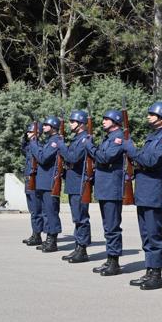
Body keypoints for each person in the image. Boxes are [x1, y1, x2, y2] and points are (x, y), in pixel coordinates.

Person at [123, 102, 162, 290]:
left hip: (154, 192)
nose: (148, 117)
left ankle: (156, 274)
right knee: (146, 234)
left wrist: (132, 151)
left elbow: (151, 161)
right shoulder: (152, 137)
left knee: (154, 234)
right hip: (144, 191)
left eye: (152, 114)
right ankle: (149, 269)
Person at [85, 109, 125, 276]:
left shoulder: (118, 138)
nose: (103, 122)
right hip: (105, 187)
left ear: (115, 121)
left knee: (112, 226)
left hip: (112, 188)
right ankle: (110, 259)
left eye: (106, 119)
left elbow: (105, 158)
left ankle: (114, 261)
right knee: (108, 226)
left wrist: (90, 147)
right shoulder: (108, 138)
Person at [56, 110, 92, 263]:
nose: (70, 124)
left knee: (81, 218)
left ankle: (82, 249)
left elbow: (72, 157)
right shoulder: (77, 139)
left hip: (79, 183)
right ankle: (78, 246)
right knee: (76, 218)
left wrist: (61, 145)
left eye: (73, 121)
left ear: (81, 124)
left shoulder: (85, 140)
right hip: (73, 182)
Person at [28, 116, 63, 253]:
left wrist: (34, 144)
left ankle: (52, 241)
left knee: (51, 212)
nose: (44, 127)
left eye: (46, 125)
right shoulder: (49, 141)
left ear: (53, 127)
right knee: (45, 213)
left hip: (50, 183)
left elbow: (43, 158)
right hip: (43, 182)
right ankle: (48, 238)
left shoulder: (55, 142)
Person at [21, 123, 44, 246]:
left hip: (34, 180)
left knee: (36, 209)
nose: (27, 134)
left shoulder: (38, 146)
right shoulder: (30, 146)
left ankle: (37, 234)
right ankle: (35, 233)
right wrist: (24, 139)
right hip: (28, 180)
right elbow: (23, 149)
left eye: (30, 132)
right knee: (32, 209)